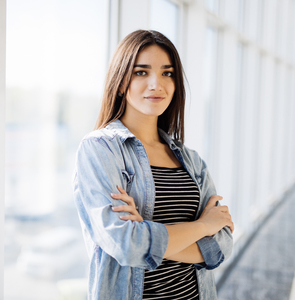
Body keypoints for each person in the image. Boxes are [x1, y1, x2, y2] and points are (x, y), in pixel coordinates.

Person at [73, 30, 234, 300]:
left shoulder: (191, 160)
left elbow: (222, 246)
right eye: (141, 72)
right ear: (121, 81)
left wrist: (146, 230)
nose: (156, 84)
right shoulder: (100, 149)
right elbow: (126, 244)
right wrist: (203, 227)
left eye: (167, 73)